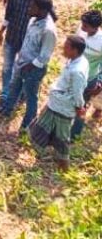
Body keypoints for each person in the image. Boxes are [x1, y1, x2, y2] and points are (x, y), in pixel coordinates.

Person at [0, 0, 57, 131]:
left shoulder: (48, 30)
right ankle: (6, 110)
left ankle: (27, 125)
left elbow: (45, 56)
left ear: (41, 10)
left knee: (31, 97)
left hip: (33, 69)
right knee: (14, 87)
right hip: (22, 62)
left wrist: (30, 65)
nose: (29, 8)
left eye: (32, 6)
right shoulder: (33, 20)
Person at [29, 34, 89, 170]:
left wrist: (80, 107)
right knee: (40, 128)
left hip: (63, 108)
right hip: (55, 104)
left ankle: (64, 166)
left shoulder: (77, 71)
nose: (63, 48)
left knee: (62, 139)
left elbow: (77, 93)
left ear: (75, 50)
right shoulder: (77, 60)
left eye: (66, 47)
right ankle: (44, 153)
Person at [0, 0, 46, 107]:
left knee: (21, 71)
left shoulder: (40, 0)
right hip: (12, 36)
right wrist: (1, 31)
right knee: (7, 68)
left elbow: (46, 21)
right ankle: (5, 95)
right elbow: (9, 13)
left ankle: (19, 95)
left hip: (27, 43)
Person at [70, 10, 102, 139]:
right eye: (82, 24)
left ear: (95, 27)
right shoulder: (80, 30)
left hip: (89, 79)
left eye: (86, 26)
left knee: (81, 106)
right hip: (72, 74)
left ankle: (74, 135)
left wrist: (100, 83)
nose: (82, 28)